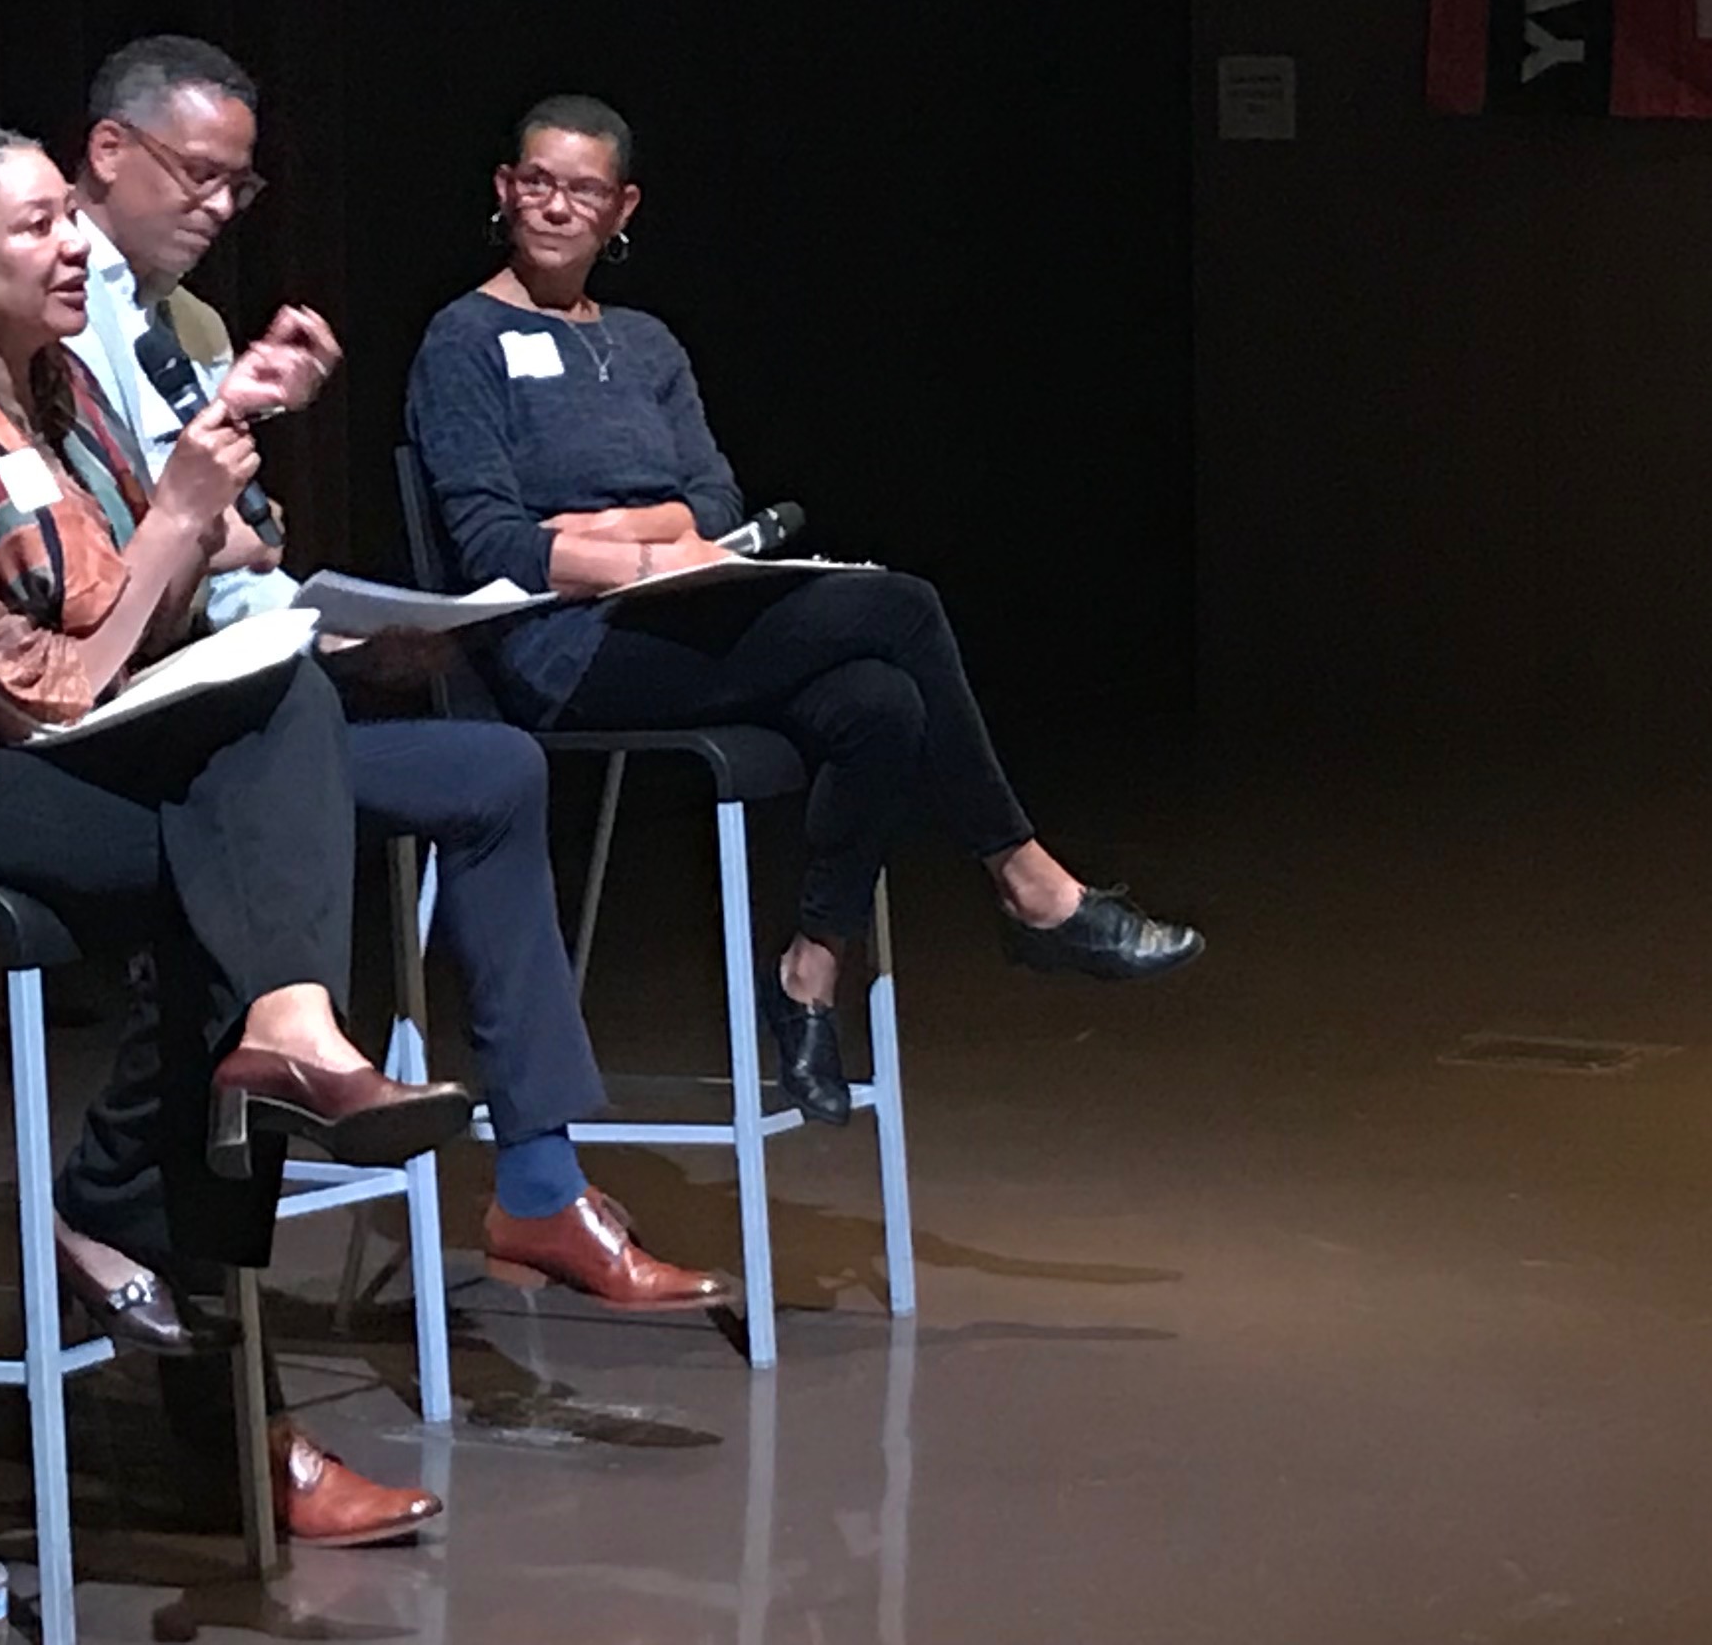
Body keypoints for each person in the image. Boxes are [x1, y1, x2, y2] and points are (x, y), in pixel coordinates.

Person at [0, 122, 459, 1546]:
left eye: (71, 217)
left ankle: (278, 1044)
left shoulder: (58, 399)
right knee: (206, 879)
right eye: (36, 229)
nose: (74, 246)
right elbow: (34, 689)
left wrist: (199, 497)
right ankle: (216, 1383)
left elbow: (120, 620)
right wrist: (181, 520)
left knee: (284, 705)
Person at [54, 37, 731, 1314]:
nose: (217, 207)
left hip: (252, 684)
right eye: (200, 176)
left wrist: (350, 633)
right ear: (105, 155)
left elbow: (242, 546)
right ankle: (225, 1246)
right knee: (264, 807)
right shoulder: (47, 319)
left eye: (237, 188)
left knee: (490, 767)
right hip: (141, 707)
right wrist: (213, 529)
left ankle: (536, 1183)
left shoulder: (192, 324)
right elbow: (104, 547)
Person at [403, 94, 1202, 1124]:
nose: (557, 207)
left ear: (622, 207)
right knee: (900, 608)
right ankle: (1030, 883)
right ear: (506, 192)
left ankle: (809, 974)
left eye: (584, 189)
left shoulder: (647, 345)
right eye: (538, 184)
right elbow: (496, 547)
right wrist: (649, 552)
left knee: (881, 704)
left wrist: (618, 526)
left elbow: (718, 507)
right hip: (563, 654)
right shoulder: (462, 340)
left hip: (680, 617)